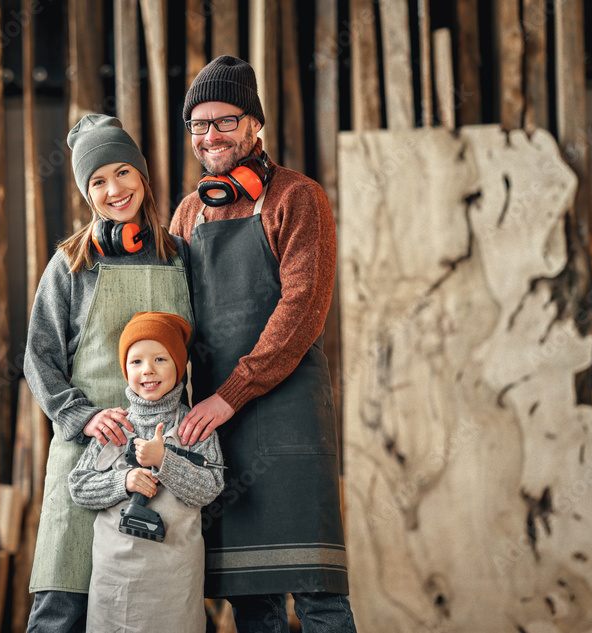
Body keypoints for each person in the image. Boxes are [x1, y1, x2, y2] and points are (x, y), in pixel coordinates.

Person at [169, 55, 358, 633]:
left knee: (317, 589)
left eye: (224, 121)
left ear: (255, 126)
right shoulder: (187, 213)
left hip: (288, 412)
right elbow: (172, 313)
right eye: (198, 125)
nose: (210, 136)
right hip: (218, 420)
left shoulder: (299, 198)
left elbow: (302, 309)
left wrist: (232, 391)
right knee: (252, 598)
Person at [23, 114, 195, 633]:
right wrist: (80, 416)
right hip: (85, 453)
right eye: (98, 180)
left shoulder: (178, 257)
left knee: (148, 609)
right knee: (61, 604)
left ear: (143, 178)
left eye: (123, 172)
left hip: (158, 461)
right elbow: (39, 355)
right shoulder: (71, 265)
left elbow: (200, 352)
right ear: (86, 193)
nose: (114, 189)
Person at [68, 311, 224, 633]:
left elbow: (211, 486)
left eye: (160, 359)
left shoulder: (194, 427)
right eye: (136, 361)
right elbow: (79, 485)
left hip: (175, 575)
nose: (147, 370)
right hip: (117, 574)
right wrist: (122, 480)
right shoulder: (116, 426)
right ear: (125, 369)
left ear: (179, 366)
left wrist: (164, 460)